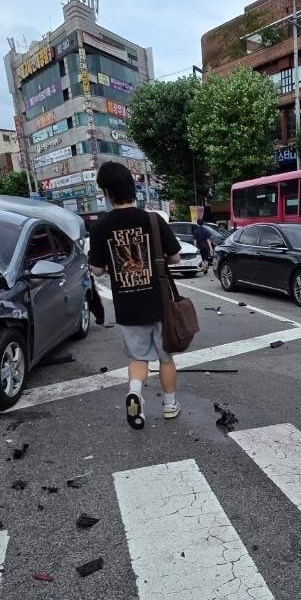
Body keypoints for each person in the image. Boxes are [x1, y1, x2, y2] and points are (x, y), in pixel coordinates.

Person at [87, 162, 182, 430]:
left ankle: (135, 392)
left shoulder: (99, 227)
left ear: (106, 192)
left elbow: (97, 269)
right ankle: (170, 404)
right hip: (159, 302)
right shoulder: (152, 219)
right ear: (132, 187)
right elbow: (175, 256)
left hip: (127, 305)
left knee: (138, 358)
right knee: (165, 357)